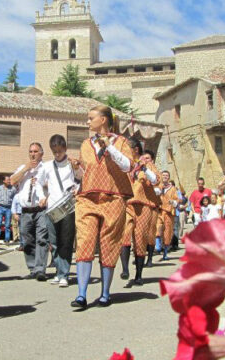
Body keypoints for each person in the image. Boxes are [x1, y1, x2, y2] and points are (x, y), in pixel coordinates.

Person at [71, 105, 133, 309]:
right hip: (88, 198)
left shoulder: (122, 142)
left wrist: (109, 147)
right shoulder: (85, 144)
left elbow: (127, 166)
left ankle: (105, 293)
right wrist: (76, 169)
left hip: (113, 198)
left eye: (91, 118)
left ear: (104, 120)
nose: (87, 122)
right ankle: (81, 294)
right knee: (85, 240)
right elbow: (84, 174)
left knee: (109, 243)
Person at [39, 134, 83, 287]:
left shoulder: (72, 164)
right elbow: (39, 183)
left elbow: (81, 178)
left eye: (60, 151)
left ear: (65, 148)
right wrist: (42, 197)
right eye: (55, 151)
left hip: (67, 207)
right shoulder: (47, 166)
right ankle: (58, 271)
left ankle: (64, 274)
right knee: (54, 242)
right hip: (51, 207)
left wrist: (77, 170)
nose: (58, 154)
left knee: (66, 240)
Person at [119, 139, 159, 286]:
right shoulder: (125, 164)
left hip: (144, 206)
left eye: (127, 147)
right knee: (125, 233)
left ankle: (139, 275)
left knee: (140, 238)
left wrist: (144, 169)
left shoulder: (148, 165)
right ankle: (124, 269)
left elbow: (155, 180)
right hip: (128, 204)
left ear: (135, 149)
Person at [10, 143, 49, 281]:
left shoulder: (46, 168)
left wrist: (45, 188)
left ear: (41, 154)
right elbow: (12, 181)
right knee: (27, 240)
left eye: (36, 151)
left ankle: (40, 269)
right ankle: (32, 268)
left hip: (41, 210)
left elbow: (52, 187)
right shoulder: (23, 168)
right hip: (25, 211)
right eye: (30, 151)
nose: (33, 154)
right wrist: (26, 168)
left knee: (42, 239)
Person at [156, 171, 177, 261]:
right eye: (163, 175)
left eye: (166, 175)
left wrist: (173, 202)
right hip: (159, 211)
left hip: (168, 212)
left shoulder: (173, 188)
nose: (165, 177)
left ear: (169, 177)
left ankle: (165, 253)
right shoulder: (157, 187)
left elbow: (176, 200)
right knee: (158, 227)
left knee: (167, 232)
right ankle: (157, 246)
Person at [0, 177, 16, 244]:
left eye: (9, 180)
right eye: (8, 180)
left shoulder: (13, 189)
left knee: (7, 225)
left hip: (8, 208)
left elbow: (15, 198)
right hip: (0, 207)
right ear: (4, 181)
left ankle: (7, 239)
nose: (9, 181)